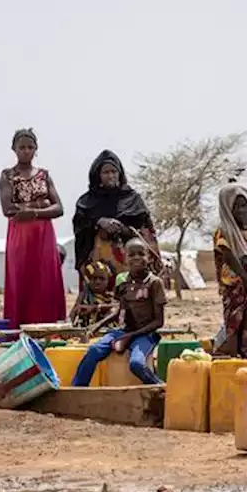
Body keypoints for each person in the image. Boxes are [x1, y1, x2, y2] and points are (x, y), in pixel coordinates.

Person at [72, 240, 166, 386]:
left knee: (136, 364)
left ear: (149, 257)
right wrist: (96, 327)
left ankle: (160, 387)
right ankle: (76, 390)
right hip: (123, 331)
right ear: (125, 258)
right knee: (94, 351)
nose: (136, 258)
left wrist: (130, 336)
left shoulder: (154, 283)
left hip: (145, 335)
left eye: (141, 254)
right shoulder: (123, 283)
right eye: (132, 255)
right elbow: (119, 311)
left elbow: (159, 322)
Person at [0, 128, 66, 326]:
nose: (26, 151)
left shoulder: (44, 175)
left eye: (30, 147)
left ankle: (48, 325)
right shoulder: (7, 175)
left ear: (36, 149)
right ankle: (19, 326)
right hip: (20, 235)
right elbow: (8, 209)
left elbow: (59, 208)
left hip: (43, 234)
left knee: (45, 277)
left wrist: (34, 212)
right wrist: (42, 204)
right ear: (14, 149)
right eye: (22, 147)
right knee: (21, 277)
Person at [72, 150, 159, 279]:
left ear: (120, 173)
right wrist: (98, 222)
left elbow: (147, 230)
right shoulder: (86, 202)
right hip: (98, 268)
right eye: (106, 172)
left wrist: (123, 228)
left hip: (130, 261)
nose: (111, 175)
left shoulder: (133, 199)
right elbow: (80, 228)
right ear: (98, 175)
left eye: (114, 171)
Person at [213, 184, 247, 359]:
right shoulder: (224, 233)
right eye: (236, 206)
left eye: (244, 205)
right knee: (234, 325)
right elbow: (229, 257)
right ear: (227, 208)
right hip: (234, 289)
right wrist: (245, 275)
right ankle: (234, 360)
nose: (241, 211)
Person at [69, 260, 117, 330]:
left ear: (108, 280)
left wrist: (95, 308)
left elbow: (119, 307)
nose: (98, 282)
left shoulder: (111, 297)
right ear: (88, 280)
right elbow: (72, 316)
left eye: (102, 279)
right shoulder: (84, 296)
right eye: (94, 278)